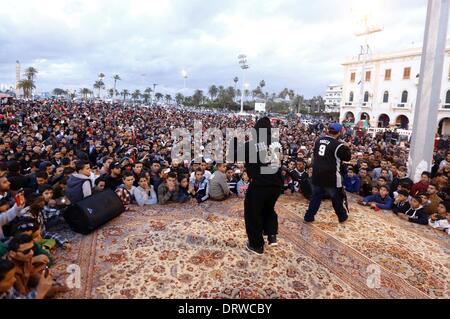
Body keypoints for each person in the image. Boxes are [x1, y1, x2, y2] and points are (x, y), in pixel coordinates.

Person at [243, 117, 283, 254]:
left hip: (259, 185)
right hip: (276, 185)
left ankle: (256, 245)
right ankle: (272, 235)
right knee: (269, 208)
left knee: (252, 213)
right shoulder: (277, 143)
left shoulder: (250, 144)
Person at [304, 123, 351, 223]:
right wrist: (347, 147)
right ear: (339, 133)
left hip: (317, 174)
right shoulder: (339, 146)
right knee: (336, 197)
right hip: (331, 176)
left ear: (328, 130)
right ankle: (342, 217)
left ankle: (308, 217)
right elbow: (347, 158)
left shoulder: (318, 141)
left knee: (316, 196)